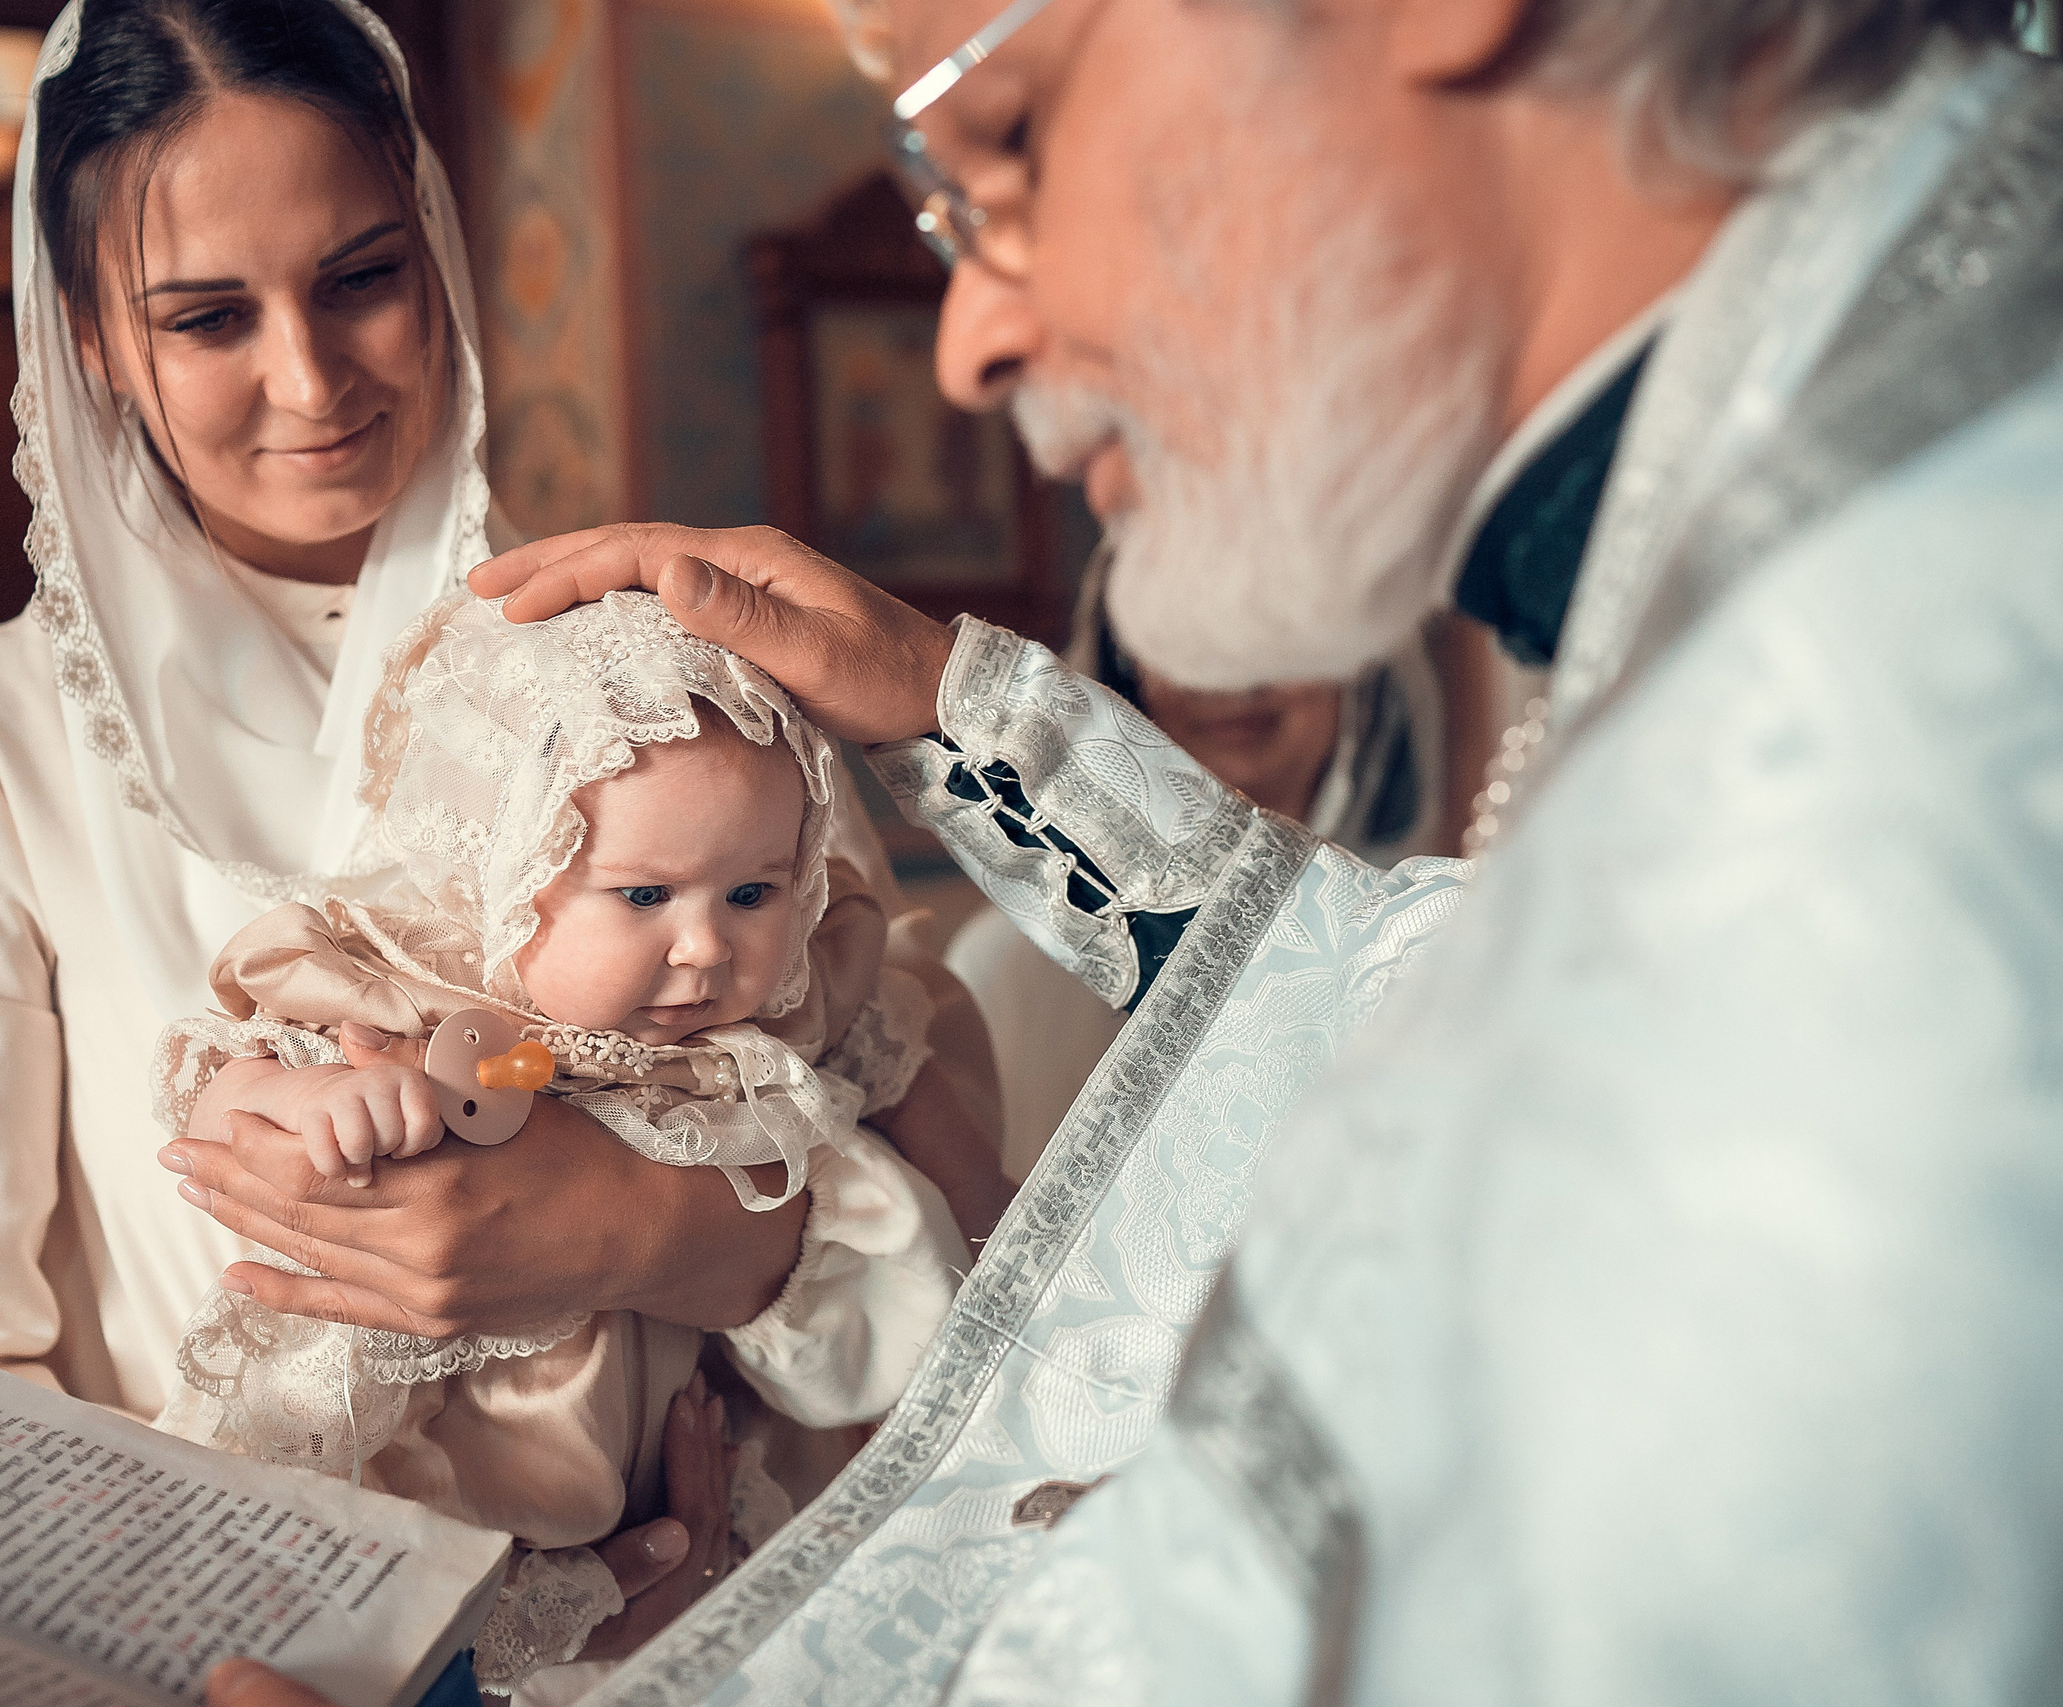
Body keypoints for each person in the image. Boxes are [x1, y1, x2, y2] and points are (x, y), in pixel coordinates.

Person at [459, 0, 2063, 1699]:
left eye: (1003, 140)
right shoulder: (1852, 478)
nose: (971, 341)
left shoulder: (1893, 732)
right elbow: (1384, 975)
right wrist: (951, 704)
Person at [0, 5, 980, 1656]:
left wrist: (649, 1232)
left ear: (440, 254)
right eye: (205, 317)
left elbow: (917, 1170)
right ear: (95, 341)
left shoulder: (650, 675)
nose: (309, 379)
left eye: (360, 277)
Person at [151, 590, 978, 1693]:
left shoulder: (776, 1018)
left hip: (693, 1508)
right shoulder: (408, 990)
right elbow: (214, 1090)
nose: (701, 947)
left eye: (750, 892)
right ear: (502, 872)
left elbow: (952, 1207)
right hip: (428, 1504)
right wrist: (311, 1111)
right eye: (642, 893)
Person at [943, 549, 1476, 1176]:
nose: (1233, 681)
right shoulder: (1002, 970)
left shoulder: (1443, 941)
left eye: (1277, 633)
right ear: (1127, 672)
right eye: (1187, 639)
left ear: (1353, 667)